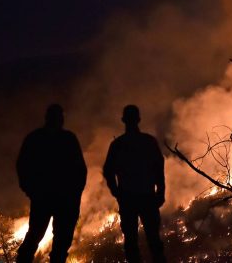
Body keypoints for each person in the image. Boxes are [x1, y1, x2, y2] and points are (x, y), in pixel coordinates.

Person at [16, 104, 87, 263]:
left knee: (52, 240)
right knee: (40, 237)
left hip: (56, 198)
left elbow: (80, 170)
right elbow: (23, 165)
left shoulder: (39, 138)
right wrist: (29, 188)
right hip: (51, 197)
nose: (59, 119)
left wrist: (76, 193)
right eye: (57, 116)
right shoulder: (54, 138)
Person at [104, 105, 166, 263]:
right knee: (153, 241)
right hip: (146, 197)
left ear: (123, 120)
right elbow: (158, 167)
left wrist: (116, 191)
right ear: (139, 119)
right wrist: (160, 192)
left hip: (129, 198)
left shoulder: (118, 144)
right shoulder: (148, 141)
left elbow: (108, 170)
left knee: (131, 243)